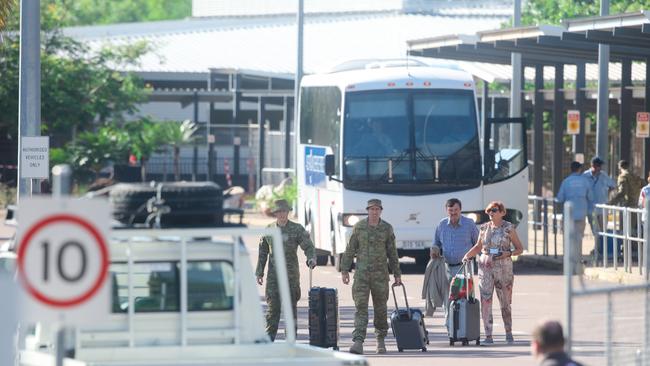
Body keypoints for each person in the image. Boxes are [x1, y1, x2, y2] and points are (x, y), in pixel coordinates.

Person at [340, 198, 401, 355]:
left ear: (381, 210)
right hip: (361, 276)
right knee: (361, 308)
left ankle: (380, 340)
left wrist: (397, 274)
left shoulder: (387, 229)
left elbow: (392, 253)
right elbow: (350, 249)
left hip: (380, 276)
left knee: (380, 309)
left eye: (377, 209)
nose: (374, 212)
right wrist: (345, 270)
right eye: (371, 209)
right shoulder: (359, 227)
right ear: (367, 210)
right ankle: (358, 341)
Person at [462, 201, 524, 345]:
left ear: (502, 212)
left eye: (494, 210)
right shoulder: (484, 228)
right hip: (485, 267)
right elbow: (478, 247)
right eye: (489, 211)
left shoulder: (509, 228)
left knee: (505, 302)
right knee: (485, 300)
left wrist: (508, 253)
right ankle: (488, 335)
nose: (491, 213)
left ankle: (508, 333)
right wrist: (467, 256)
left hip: (504, 268)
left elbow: (520, 248)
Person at [255, 199, 317, 342]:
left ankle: (290, 342)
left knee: (290, 310)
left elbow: (308, 246)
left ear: (288, 212)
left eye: (284, 211)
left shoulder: (297, 229)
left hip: (291, 276)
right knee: (272, 311)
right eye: (279, 212)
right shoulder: (269, 229)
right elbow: (263, 252)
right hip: (273, 277)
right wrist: (259, 272)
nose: (282, 214)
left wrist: (311, 258)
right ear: (275, 214)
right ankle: (268, 340)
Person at [556, 161, 593, 274]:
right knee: (578, 240)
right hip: (581, 214)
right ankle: (578, 265)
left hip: (569, 215)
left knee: (568, 240)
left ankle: (568, 266)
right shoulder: (585, 181)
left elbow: (560, 198)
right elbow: (591, 197)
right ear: (580, 169)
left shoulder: (566, 182)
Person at [432, 198, 479, 282]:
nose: (453, 212)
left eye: (456, 210)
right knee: (446, 295)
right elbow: (436, 243)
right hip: (446, 268)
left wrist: (486, 259)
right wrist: (434, 250)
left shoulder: (469, 223)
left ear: (460, 209)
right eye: (450, 210)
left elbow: (478, 244)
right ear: (446, 211)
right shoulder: (442, 224)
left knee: (464, 295)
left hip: (464, 268)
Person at [582, 156, 615, 246]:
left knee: (603, 230)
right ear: (593, 166)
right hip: (591, 209)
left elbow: (613, 185)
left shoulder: (603, 175)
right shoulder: (585, 176)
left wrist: (607, 195)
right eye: (599, 166)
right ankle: (598, 249)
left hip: (603, 208)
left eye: (600, 166)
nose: (600, 168)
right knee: (595, 230)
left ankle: (601, 249)